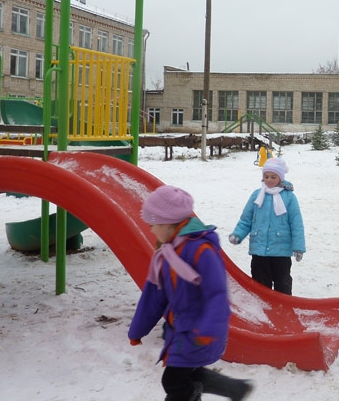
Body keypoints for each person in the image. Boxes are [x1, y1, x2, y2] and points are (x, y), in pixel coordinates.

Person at [129, 185, 253, 401]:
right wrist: (137, 330)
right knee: (186, 376)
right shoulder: (166, 253)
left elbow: (217, 294)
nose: (150, 230)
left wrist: (207, 331)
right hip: (181, 330)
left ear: (168, 223)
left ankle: (196, 396)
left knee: (174, 382)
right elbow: (153, 296)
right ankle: (234, 389)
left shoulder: (200, 251)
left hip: (200, 331)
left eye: (153, 225)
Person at [228, 158, 305, 295]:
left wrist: (298, 247)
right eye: (266, 176)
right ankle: (263, 308)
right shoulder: (257, 195)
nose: (269, 180)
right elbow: (246, 219)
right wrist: (238, 235)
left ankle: (283, 307)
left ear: (280, 177)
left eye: (273, 177)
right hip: (259, 250)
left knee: (282, 282)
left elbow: (296, 224)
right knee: (260, 283)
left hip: (281, 251)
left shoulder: (289, 197)